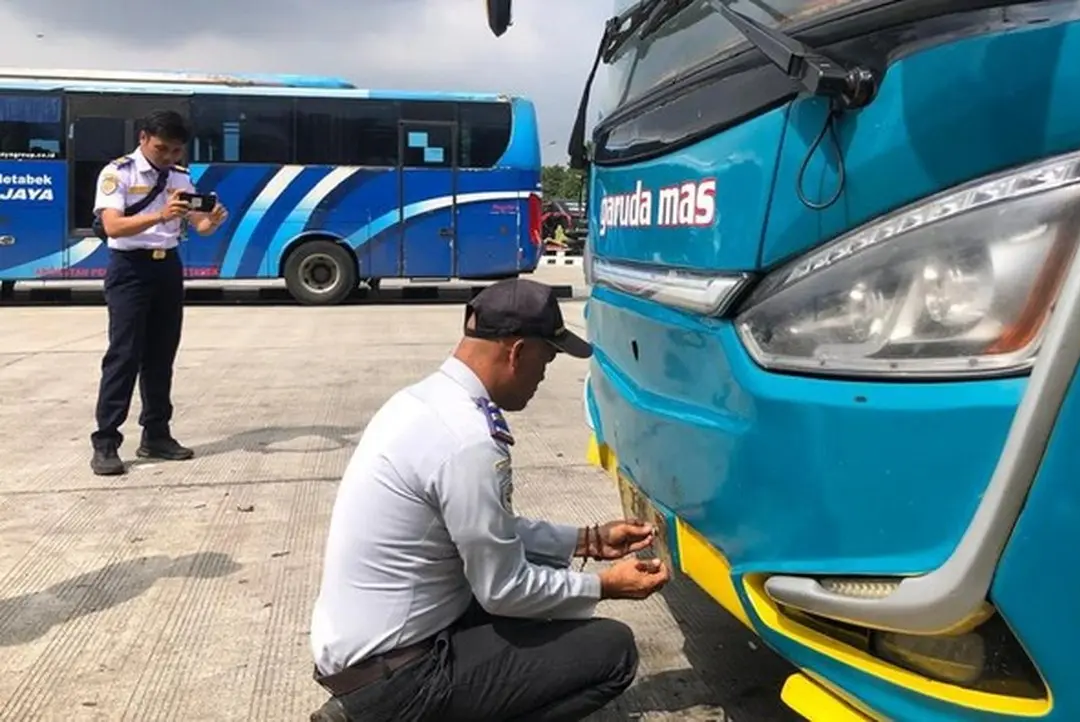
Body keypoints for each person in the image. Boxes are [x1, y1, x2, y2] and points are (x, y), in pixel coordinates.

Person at [309, 278, 671, 721]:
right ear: (517, 352)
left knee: (549, 590)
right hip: (400, 675)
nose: (544, 374)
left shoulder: (422, 403)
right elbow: (505, 589)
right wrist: (606, 586)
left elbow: (483, 530)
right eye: (547, 357)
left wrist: (588, 541)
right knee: (612, 651)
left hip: (365, 655)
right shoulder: (469, 441)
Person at [88, 109, 228, 476]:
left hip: (168, 267)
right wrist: (161, 215)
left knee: (161, 354)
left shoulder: (181, 176)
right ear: (143, 138)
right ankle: (105, 441)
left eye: (176, 151)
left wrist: (209, 221)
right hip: (129, 269)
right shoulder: (118, 172)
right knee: (124, 355)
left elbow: (198, 224)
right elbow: (114, 226)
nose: (168, 157)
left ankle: (156, 434)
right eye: (162, 148)